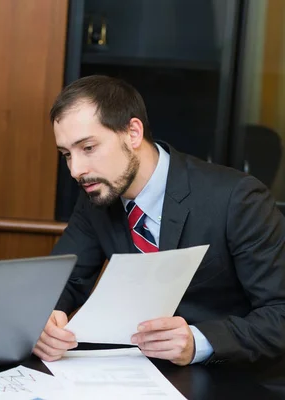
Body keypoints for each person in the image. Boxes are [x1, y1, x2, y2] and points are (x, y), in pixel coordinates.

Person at [34, 75, 285, 366]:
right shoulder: (97, 197)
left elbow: (280, 312)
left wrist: (198, 342)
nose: (76, 170)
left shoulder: (237, 198)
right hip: (134, 373)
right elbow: (64, 283)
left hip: (229, 376)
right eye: (66, 154)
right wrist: (44, 321)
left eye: (88, 148)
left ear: (133, 133)